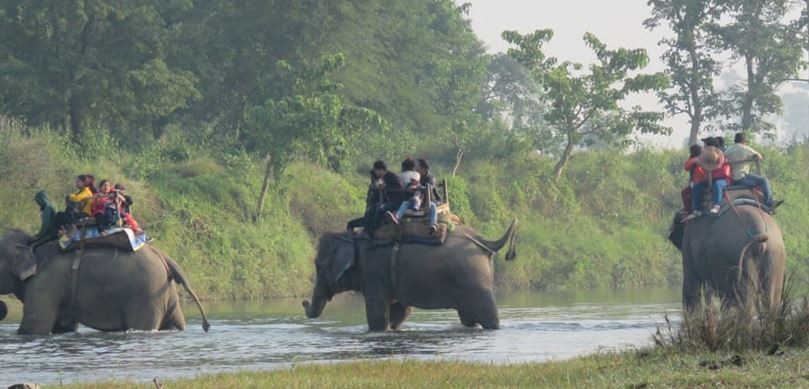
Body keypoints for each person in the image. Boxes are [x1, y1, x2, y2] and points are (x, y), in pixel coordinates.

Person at [724, 132, 782, 210]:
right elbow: (759, 156)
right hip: (741, 177)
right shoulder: (745, 148)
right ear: (744, 141)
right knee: (763, 181)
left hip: (731, 178)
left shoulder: (728, 149)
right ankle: (769, 202)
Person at [683, 145, 731, 221]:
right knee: (697, 187)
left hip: (722, 181)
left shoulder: (724, 164)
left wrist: (713, 174)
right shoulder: (704, 163)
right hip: (708, 182)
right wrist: (694, 160)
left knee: (716, 184)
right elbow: (687, 167)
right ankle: (696, 209)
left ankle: (717, 205)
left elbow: (725, 174)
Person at [362, 160, 403, 233]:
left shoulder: (391, 176)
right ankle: (366, 231)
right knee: (371, 209)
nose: (375, 172)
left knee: (380, 210)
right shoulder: (383, 178)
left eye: (376, 170)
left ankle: (372, 232)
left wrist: (386, 186)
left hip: (396, 202)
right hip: (389, 202)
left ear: (380, 170)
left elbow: (400, 187)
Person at [416, 159, 440, 233]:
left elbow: (429, 188)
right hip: (418, 201)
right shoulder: (417, 177)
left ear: (423, 168)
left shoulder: (431, 178)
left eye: (417, 166)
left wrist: (419, 187)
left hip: (430, 199)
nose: (416, 168)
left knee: (432, 206)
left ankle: (433, 224)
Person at [680, 144, 702, 217]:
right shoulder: (697, 159)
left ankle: (689, 210)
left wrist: (692, 160)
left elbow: (687, 167)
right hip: (696, 182)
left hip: (699, 182)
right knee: (686, 192)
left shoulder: (697, 159)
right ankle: (687, 209)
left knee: (685, 192)